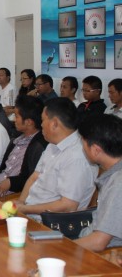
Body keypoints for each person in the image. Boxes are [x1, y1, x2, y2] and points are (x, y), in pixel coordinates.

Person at [16, 98, 97, 220]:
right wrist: (21, 203)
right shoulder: (52, 144)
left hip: (51, 223)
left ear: (54, 123)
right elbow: (34, 177)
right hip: (31, 212)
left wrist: (25, 209)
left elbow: (68, 206)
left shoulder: (77, 157)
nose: (41, 124)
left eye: (43, 120)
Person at [0, 95, 48, 198]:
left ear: (29, 122)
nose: (14, 119)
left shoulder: (38, 147)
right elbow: (1, 170)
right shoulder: (15, 141)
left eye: (16, 116)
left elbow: (30, 180)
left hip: (11, 197)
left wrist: (10, 182)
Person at [75, 114, 122, 251]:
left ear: (96, 150)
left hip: (102, 253)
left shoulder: (118, 183)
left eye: (83, 143)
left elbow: (98, 242)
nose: (82, 148)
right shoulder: (113, 174)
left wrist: (61, 249)